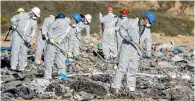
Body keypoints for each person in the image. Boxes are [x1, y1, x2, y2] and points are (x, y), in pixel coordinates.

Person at [112, 11, 156, 92]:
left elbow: (148, 40)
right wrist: (125, 36)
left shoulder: (147, 29)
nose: (149, 24)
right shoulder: (132, 22)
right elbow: (122, 29)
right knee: (122, 68)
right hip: (127, 48)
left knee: (133, 69)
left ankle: (131, 87)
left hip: (137, 51)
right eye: (149, 22)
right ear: (146, 19)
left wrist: (149, 50)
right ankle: (115, 86)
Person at [44, 13, 77, 79]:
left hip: (61, 46)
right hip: (52, 44)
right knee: (49, 61)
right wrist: (51, 37)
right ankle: (47, 77)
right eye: (76, 21)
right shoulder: (61, 21)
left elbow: (71, 40)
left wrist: (69, 51)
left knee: (61, 62)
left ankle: (61, 76)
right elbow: (51, 28)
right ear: (72, 18)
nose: (76, 23)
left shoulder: (71, 29)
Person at [10, 7, 41, 73]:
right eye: (35, 15)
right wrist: (15, 24)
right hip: (17, 35)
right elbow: (12, 19)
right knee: (15, 51)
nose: (35, 17)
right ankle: (13, 67)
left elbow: (34, 31)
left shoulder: (34, 21)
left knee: (23, 52)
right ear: (32, 12)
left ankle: (22, 68)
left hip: (26, 38)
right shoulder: (22, 15)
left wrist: (30, 38)